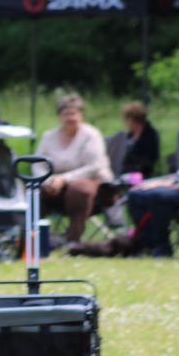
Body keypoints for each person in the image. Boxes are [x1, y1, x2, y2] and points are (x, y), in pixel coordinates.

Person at [126, 99, 179, 258]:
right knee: (136, 194)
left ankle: (162, 249)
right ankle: (146, 245)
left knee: (158, 196)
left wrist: (169, 188)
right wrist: (155, 183)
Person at [34, 93, 114, 244]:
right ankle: (32, 238)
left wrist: (64, 179)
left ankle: (73, 239)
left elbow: (94, 167)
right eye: (66, 114)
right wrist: (48, 181)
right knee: (34, 192)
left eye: (74, 113)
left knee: (78, 189)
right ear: (59, 116)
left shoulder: (91, 135)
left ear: (81, 115)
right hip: (55, 186)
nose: (70, 118)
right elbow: (38, 164)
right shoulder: (48, 136)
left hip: (91, 185)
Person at [120, 100, 160, 179]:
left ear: (133, 119)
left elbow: (152, 159)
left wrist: (132, 159)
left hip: (143, 174)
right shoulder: (130, 135)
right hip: (127, 171)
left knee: (124, 180)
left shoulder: (151, 135)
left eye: (126, 119)